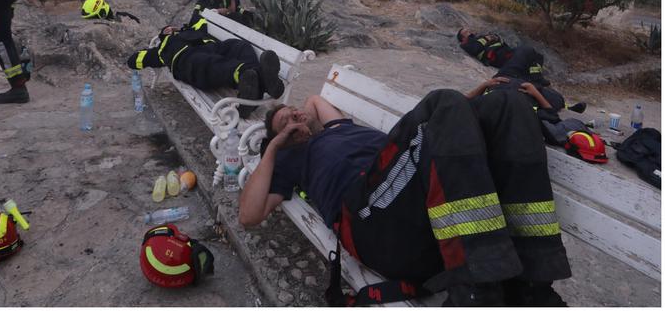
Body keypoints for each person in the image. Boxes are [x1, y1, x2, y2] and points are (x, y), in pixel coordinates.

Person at [240, 91, 570, 305]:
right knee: (443, 101)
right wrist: (276, 143)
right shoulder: (289, 158)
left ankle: (533, 283)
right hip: (368, 218)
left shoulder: (339, 128)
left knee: (505, 103)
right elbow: (249, 215)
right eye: (285, 120)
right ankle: (477, 287)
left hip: (418, 206)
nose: (295, 115)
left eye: (295, 112)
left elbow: (313, 99)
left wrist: (300, 114)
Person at [127, 20, 283, 104]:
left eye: (170, 28)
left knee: (239, 46)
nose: (169, 29)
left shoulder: (192, 30)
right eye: (166, 30)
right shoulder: (163, 49)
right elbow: (133, 61)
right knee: (209, 62)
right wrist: (161, 40)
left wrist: (184, 28)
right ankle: (250, 77)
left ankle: (259, 81)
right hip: (187, 60)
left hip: (213, 47)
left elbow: (202, 20)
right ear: (163, 35)